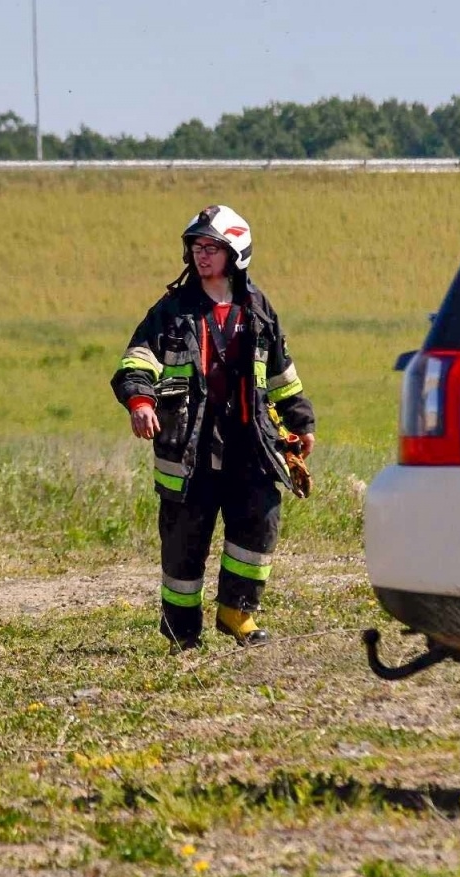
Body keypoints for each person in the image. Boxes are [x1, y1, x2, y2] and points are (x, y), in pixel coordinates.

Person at [111, 205, 317, 652]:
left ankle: (236, 612)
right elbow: (137, 359)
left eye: (212, 248)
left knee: (260, 522)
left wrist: (301, 422)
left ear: (235, 253)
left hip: (251, 443)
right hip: (189, 446)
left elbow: (282, 374)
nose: (202, 256)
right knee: (185, 541)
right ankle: (183, 632)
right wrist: (140, 401)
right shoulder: (172, 309)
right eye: (196, 247)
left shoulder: (257, 308)